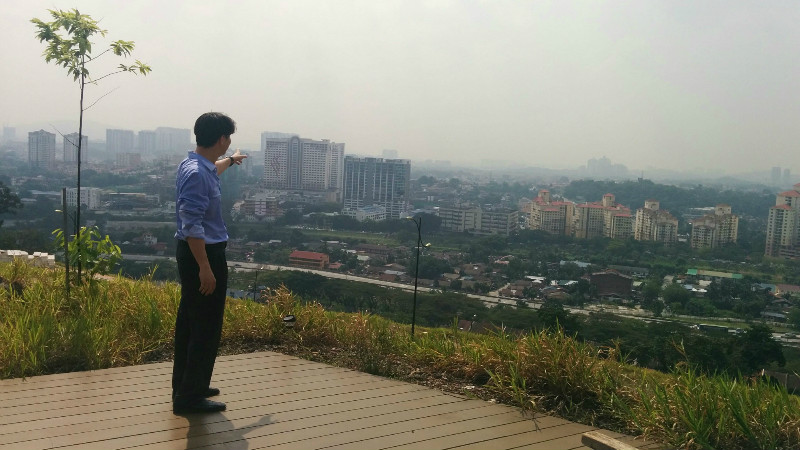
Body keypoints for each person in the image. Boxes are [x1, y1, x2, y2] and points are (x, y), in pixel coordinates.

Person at [172, 112, 246, 414]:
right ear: (221, 139)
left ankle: (190, 385)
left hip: (198, 253)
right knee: (205, 325)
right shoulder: (197, 173)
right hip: (202, 254)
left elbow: (211, 171)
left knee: (192, 321)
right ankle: (190, 397)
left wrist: (231, 160)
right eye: (228, 139)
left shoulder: (194, 165)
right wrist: (205, 267)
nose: (229, 143)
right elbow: (192, 224)